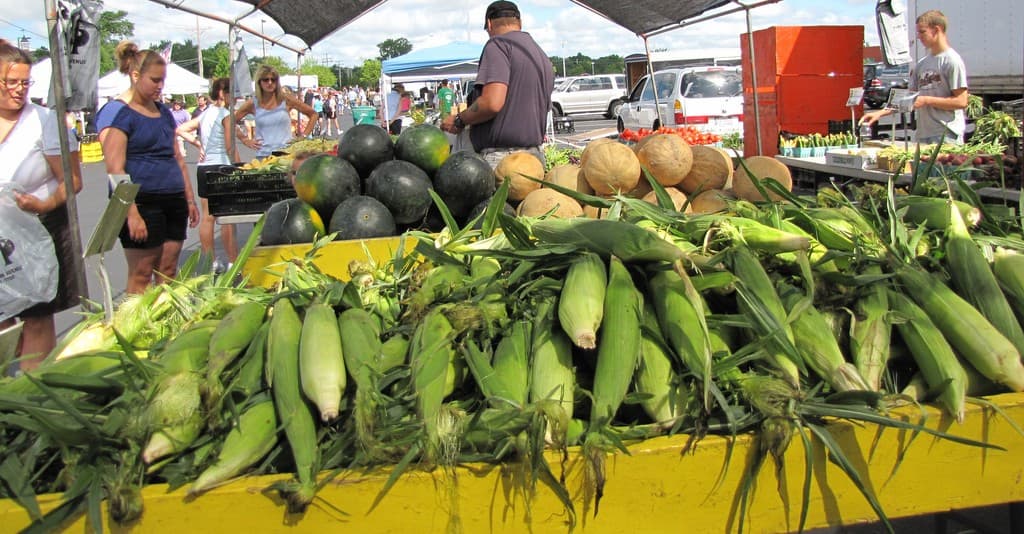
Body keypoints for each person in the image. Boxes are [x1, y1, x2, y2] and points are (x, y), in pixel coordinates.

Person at [0, 39, 83, 370]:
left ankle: (36, 388)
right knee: (5, 316)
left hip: (38, 228)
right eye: (11, 82)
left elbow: (73, 181)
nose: (19, 90)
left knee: (35, 315)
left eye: (25, 82)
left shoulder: (45, 122)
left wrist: (44, 203)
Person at [101, 41, 200, 295]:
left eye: (162, 80)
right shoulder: (122, 115)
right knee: (142, 274)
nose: (160, 86)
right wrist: (131, 213)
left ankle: (168, 327)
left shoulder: (165, 113)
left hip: (173, 199)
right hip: (143, 202)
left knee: (168, 270)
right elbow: (115, 166)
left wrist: (189, 198)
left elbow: (177, 156)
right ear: (135, 76)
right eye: (155, 80)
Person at [441, 1, 554, 167]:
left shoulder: (498, 45)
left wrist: (459, 120)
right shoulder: (540, 54)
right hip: (534, 158)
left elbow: (492, 103)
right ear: (519, 22)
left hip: (504, 160)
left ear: (489, 24)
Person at [860, 9, 968, 144]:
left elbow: (961, 101)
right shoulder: (921, 64)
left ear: (936, 30)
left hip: (946, 134)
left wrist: (927, 100)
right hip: (923, 134)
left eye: (922, 32)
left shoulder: (951, 61)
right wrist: (880, 113)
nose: (918, 36)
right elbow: (908, 99)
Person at [175, 77, 240, 272]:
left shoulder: (204, 114)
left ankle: (209, 262)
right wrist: (241, 166)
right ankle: (232, 261)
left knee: (208, 217)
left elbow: (180, 129)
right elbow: (230, 146)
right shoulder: (226, 114)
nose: (234, 97)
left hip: (204, 167)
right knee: (227, 217)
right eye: (231, 92)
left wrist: (198, 144)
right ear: (222, 93)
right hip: (222, 166)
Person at [227, 65, 317, 157]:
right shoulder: (252, 103)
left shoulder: (286, 99)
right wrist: (245, 140)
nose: (270, 83)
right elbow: (230, 122)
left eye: (273, 80)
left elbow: (313, 114)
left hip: (286, 154)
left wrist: (303, 136)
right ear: (259, 82)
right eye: (265, 80)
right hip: (263, 155)